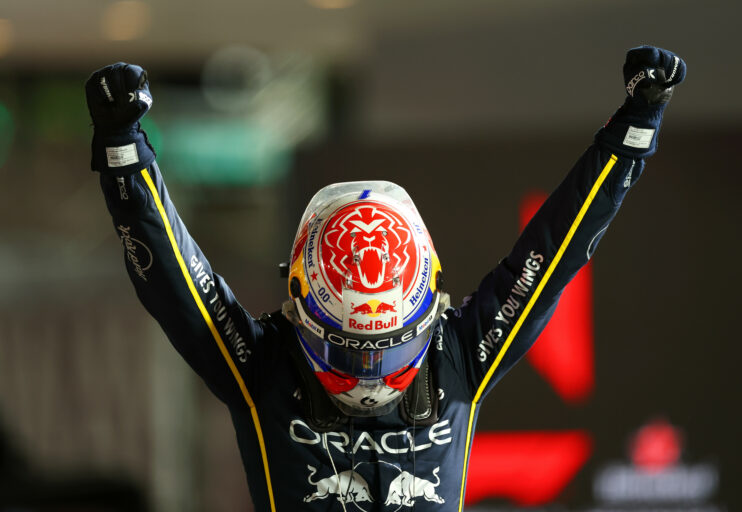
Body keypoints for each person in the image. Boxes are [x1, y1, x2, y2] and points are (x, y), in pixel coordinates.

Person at [85, 46, 686, 511]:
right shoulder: (264, 366)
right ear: (299, 306)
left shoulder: (458, 354)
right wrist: (122, 151)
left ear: (429, 309)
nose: (370, 376)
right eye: (348, 350)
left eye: (389, 348)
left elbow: (553, 252)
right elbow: (175, 280)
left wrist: (634, 129)